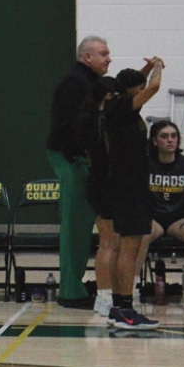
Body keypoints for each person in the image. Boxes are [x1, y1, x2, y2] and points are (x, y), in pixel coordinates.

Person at [46, 36, 112, 309]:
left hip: (79, 159)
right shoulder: (75, 83)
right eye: (104, 54)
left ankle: (76, 283)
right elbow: (66, 124)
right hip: (68, 157)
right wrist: (79, 152)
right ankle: (69, 292)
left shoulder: (91, 82)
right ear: (87, 57)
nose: (109, 58)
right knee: (73, 225)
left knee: (83, 224)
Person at [104, 61, 164, 330]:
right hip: (128, 185)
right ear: (132, 91)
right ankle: (126, 309)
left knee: (124, 247)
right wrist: (159, 66)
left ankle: (118, 307)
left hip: (126, 183)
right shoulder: (120, 107)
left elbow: (137, 84)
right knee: (129, 248)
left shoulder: (120, 104)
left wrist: (146, 66)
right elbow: (154, 86)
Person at [135, 120, 184, 312]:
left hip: (178, 219)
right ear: (154, 141)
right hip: (154, 218)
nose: (170, 140)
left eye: (173, 136)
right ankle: (133, 289)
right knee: (142, 232)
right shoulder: (146, 164)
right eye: (164, 136)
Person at [76, 76, 122, 318]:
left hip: (100, 181)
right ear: (107, 96)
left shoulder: (90, 116)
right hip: (103, 182)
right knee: (108, 242)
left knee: (112, 242)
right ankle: (104, 296)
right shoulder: (101, 120)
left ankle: (108, 294)